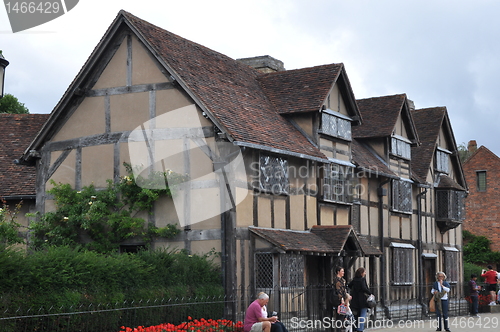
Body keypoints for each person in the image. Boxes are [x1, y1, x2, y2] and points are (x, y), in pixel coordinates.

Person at [348, 267, 373, 332]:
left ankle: (355, 328)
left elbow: (349, 285)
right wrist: (370, 293)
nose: (365, 273)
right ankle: (360, 329)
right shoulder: (362, 280)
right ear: (361, 273)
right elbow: (364, 288)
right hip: (362, 299)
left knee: (356, 315)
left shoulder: (354, 279)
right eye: (364, 272)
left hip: (355, 299)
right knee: (362, 315)